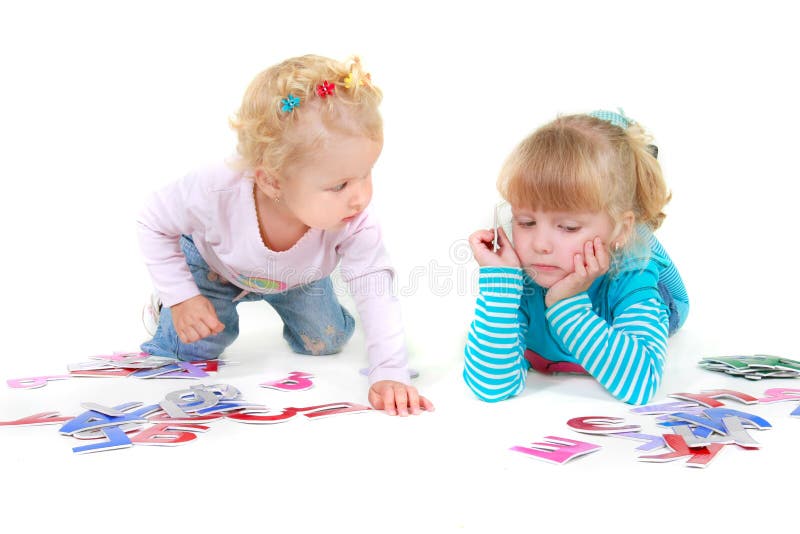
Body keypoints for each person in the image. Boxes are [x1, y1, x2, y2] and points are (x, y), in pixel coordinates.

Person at [138, 54, 432, 416]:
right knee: (193, 347)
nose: (360, 196)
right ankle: (166, 306)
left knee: (328, 341)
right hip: (214, 265)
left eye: (366, 172)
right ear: (272, 181)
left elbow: (375, 286)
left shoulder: (353, 218)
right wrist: (180, 296)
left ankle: (296, 296)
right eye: (339, 184)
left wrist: (389, 371)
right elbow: (152, 220)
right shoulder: (216, 187)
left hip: (295, 277)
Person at [464, 110, 688, 405]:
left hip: (640, 273)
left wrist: (567, 304)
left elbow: (642, 384)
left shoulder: (634, 276)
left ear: (620, 229)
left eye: (568, 227)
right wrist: (500, 286)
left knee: (640, 251)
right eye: (526, 222)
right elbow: (490, 387)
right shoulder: (521, 275)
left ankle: (630, 235)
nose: (541, 245)